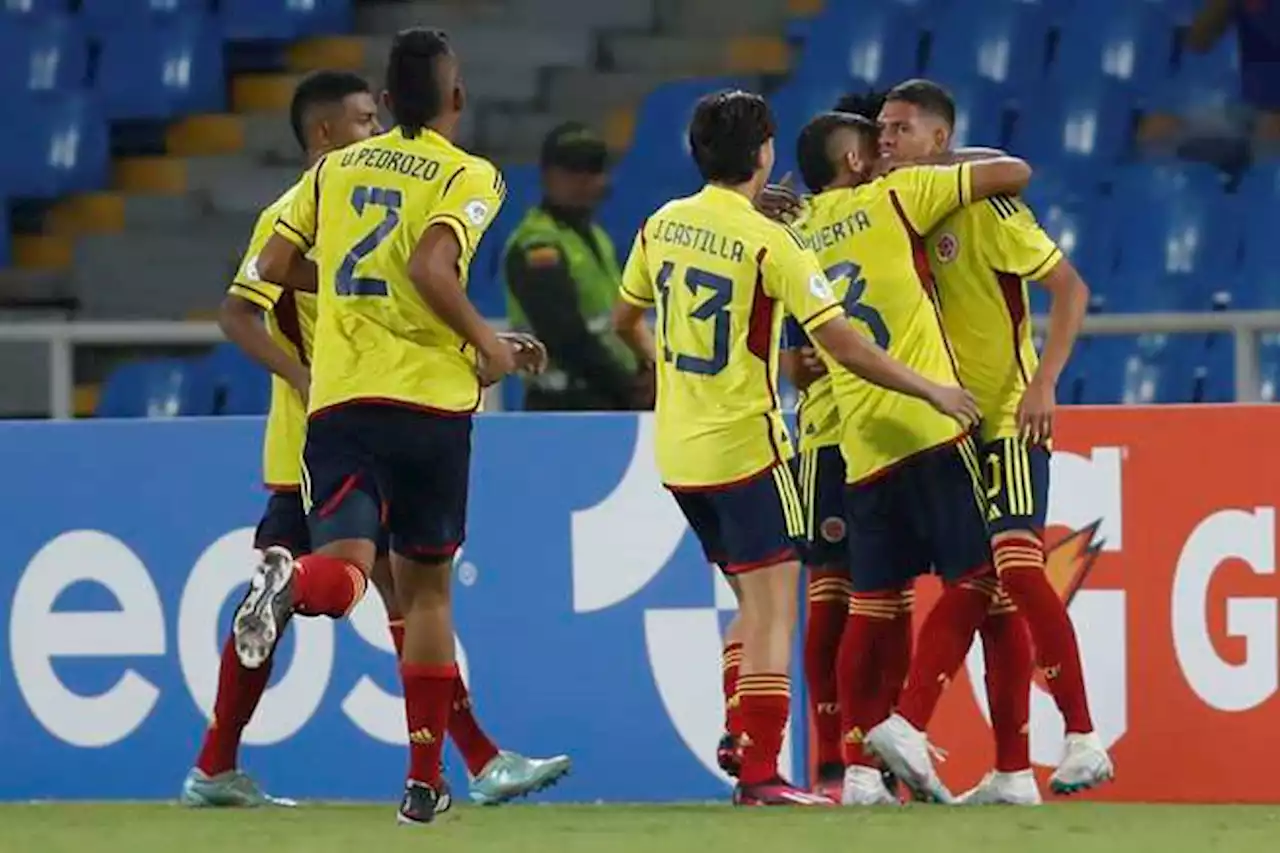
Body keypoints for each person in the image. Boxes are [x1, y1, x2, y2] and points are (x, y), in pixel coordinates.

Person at [196, 70, 568, 812]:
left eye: (378, 114)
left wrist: (485, 341)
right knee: (407, 592)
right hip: (318, 431)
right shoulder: (293, 208)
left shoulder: (357, 203)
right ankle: (224, 762)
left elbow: (397, 301)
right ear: (325, 133)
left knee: (394, 596)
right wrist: (304, 377)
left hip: (347, 418)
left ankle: (473, 757)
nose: (377, 130)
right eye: (363, 120)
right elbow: (241, 309)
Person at [611, 89, 980, 806]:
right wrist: (930, 389)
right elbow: (842, 341)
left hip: (678, 451)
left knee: (750, 604)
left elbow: (626, 317)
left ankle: (737, 730)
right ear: (764, 152)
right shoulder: (767, 239)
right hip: (745, 447)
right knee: (777, 607)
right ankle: (760, 771)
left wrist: (674, 366)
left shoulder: (661, 224)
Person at [787, 110, 1035, 806]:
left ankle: (857, 771)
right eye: (876, 147)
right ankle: (905, 725)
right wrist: (931, 163)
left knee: (870, 601)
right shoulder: (897, 196)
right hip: (928, 424)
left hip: (860, 444)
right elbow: (1015, 171)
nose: (888, 152)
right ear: (858, 162)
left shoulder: (797, 234)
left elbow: (795, 360)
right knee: (979, 576)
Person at [877, 78, 1112, 800]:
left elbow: (1070, 289)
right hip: (948, 422)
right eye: (881, 128)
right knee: (987, 586)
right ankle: (1013, 770)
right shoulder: (890, 212)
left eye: (902, 129)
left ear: (940, 141)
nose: (885, 139)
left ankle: (1082, 735)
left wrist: (1043, 382)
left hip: (1007, 411)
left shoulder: (983, 205)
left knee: (1012, 566)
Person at [504, 122, 651, 410]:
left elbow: (613, 322)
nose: (583, 181)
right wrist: (630, 389)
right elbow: (565, 337)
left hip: (605, 399)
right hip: (562, 402)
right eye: (572, 170)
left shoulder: (597, 238)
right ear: (547, 175)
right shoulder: (536, 245)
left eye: (593, 170)